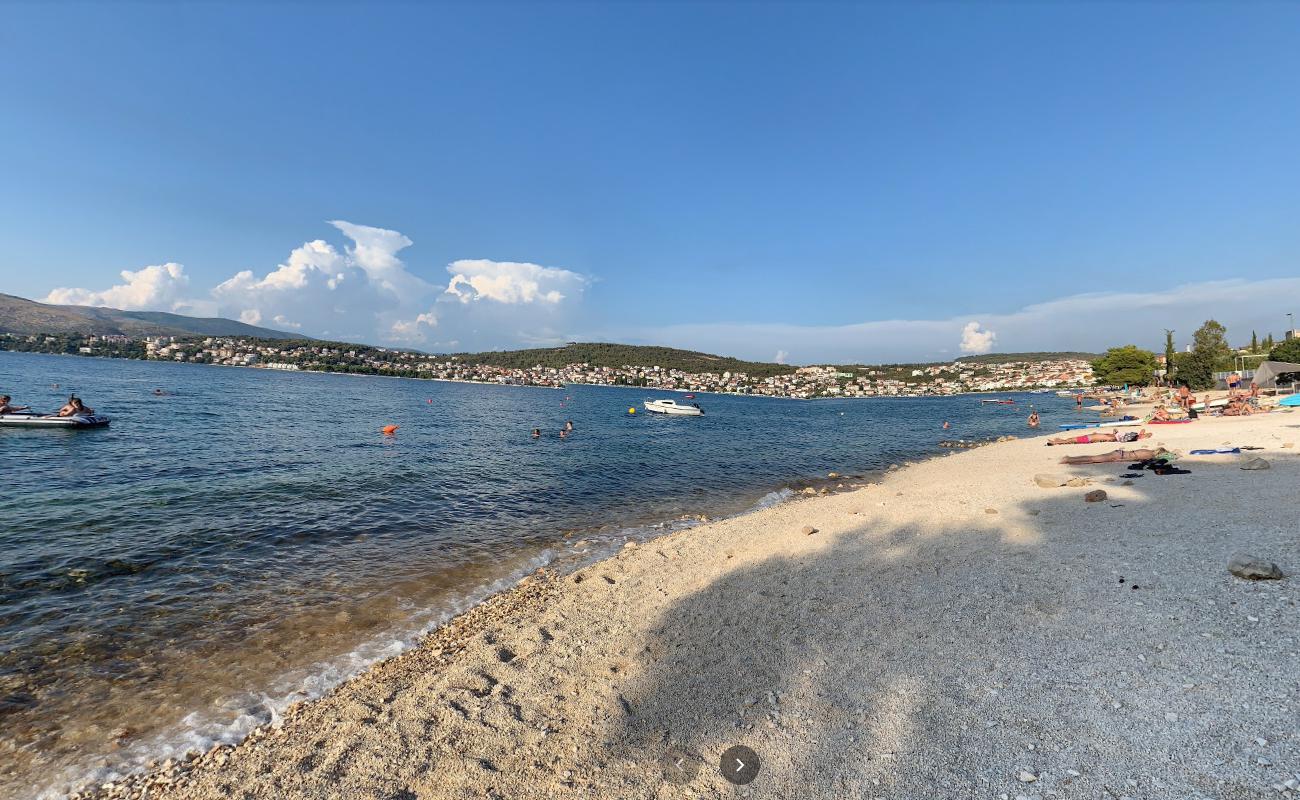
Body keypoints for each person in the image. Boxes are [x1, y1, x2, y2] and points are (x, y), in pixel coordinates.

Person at [1059, 447, 1169, 465]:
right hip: (1118, 455)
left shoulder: (1148, 450)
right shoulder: (1150, 455)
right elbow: (1134, 459)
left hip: (1118, 453)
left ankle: (1070, 459)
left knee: (1093, 458)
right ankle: (1068, 459)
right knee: (1093, 459)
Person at [1046, 428, 1151, 446]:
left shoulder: (1133, 437)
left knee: (1074, 440)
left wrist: (1144, 435)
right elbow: (1143, 431)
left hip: (1093, 438)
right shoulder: (1132, 435)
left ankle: (1056, 442)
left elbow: (1145, 434)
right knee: (1073, 439)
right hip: (1095, 436)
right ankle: (1059, 441)